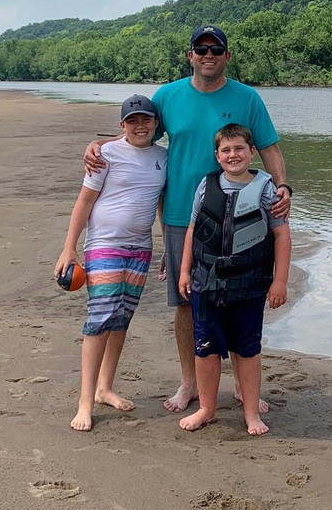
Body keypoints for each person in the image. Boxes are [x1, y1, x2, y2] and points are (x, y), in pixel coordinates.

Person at [84, 25, 291, 415]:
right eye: (201, 49)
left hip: (244, 214)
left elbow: (270, 149)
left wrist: (283, 188)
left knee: (239, 296)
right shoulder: (168, 96)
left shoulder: (247, 98)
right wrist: (99, 145)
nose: (208, 55)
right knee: (188, 302)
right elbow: (138, 134)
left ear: (227, 56)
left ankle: (243, 388)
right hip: (183, 215)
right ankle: (190, 383)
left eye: (216, 49)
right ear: (190, 55)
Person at [55, 94, 167, 432]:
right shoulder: (104, 155)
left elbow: (162, 204)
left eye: (146, 120)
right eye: (132, 121)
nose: (140, 126)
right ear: (122, 126)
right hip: (104, 245)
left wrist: (169, 251)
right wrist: (69, 248)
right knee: (100, 318)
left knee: (121, 319)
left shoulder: (164, 157)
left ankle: (105, 389)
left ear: (156, 124)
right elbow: (85, 199)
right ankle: (85, 403)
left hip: (141, 248)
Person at [177, 124, 290, 435]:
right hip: (206, 282)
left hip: (249, 285)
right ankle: (207, 408)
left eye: (239, 148)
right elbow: (191, 231)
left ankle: (251, 413)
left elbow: (281, 234)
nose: (233, 155)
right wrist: (185, 271)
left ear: (251, 152)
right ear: (217, 156)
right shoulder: (206, 186)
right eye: (226, 150)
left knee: (248, 348)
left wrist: (279, 282)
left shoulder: (267, 188)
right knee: (206, 348)